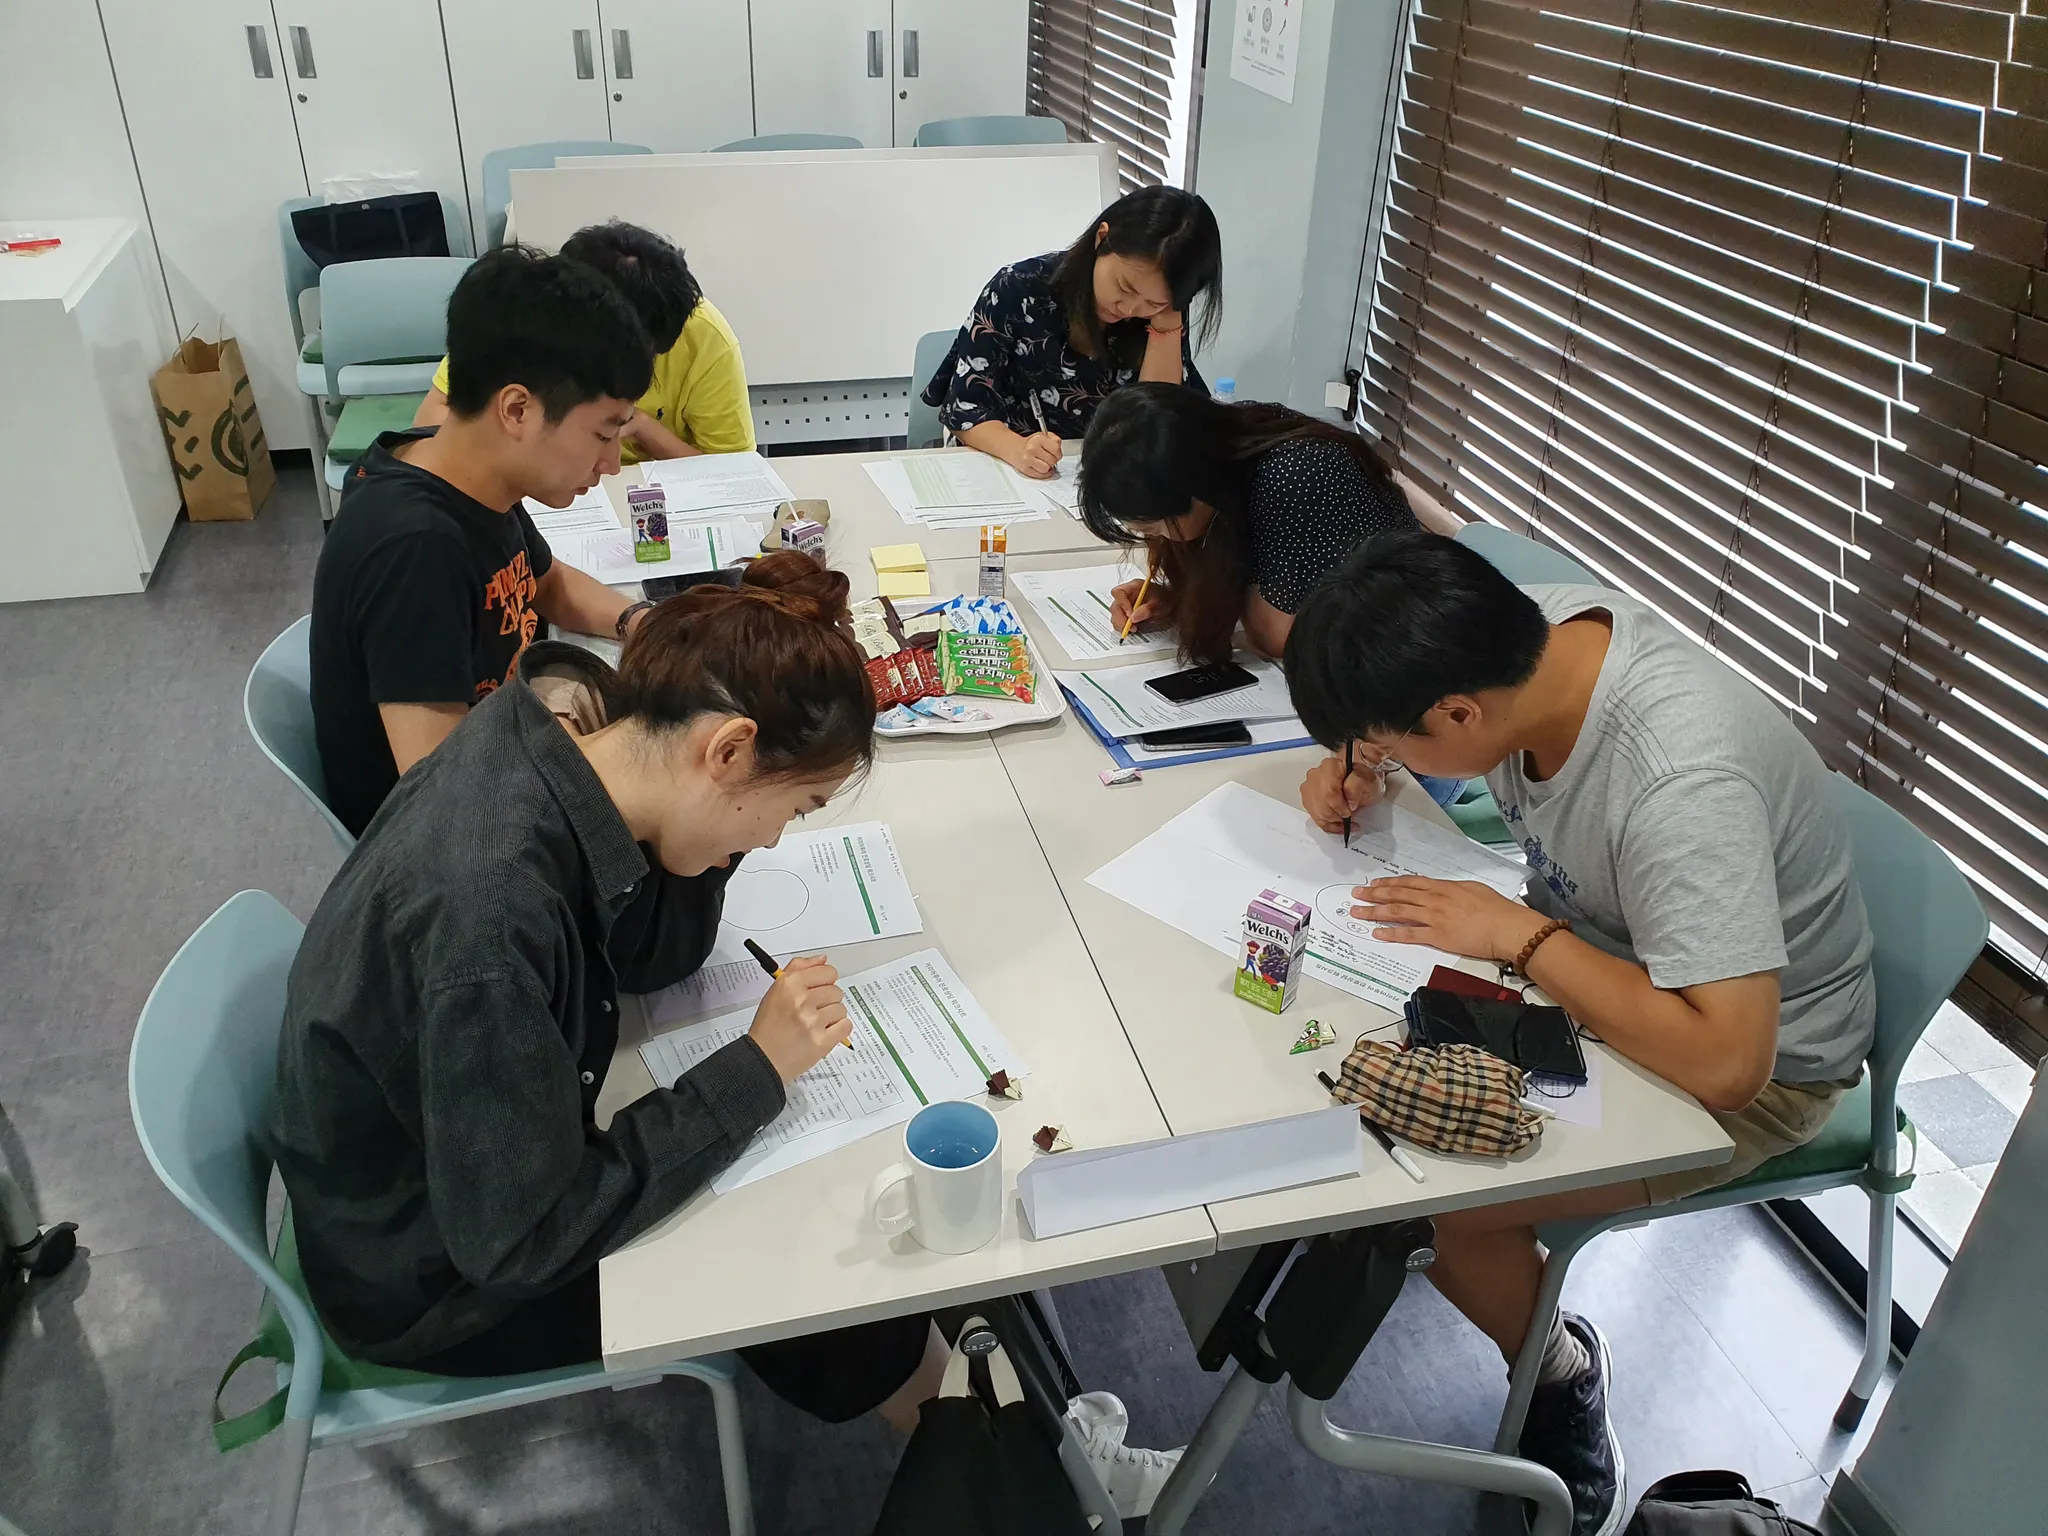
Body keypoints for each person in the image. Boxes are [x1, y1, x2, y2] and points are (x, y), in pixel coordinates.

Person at [272, 555, 1186, 1512]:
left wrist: (709, 845)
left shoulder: (550, 744)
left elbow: (650, 955)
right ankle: (1014, 1475)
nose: (778, 838)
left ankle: (994, 1408)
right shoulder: (493, 921)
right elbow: (521, 1240)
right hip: (429, 1271)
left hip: (444, 1166)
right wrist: (755, 1070)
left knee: (829, 1202)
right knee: (820, 1263)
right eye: (794, 807)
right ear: (728, 750)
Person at [1283, 531, 1876, 1536]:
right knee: (1359, 1068)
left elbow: (1731, 1065)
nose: (1387, 757)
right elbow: (1419, 733)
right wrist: (1358, 768)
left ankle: (1559, 1375)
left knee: (1440, 1202)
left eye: (1394, 741)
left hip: (1756, 1062)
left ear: (1459, 713)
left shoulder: (1678, 781)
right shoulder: (1532, 634)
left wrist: (1519, 937)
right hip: (1601, 968)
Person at [311, 244, 657, 841]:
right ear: (517, 410)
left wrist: (642, 623)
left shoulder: (465, 468)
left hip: (506, 740)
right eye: (603, 435)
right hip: (447, 840)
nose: (611, 464)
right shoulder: (413, 550)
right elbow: (447, 800)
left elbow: (546, 582)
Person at [1079, 382, 1419, 663]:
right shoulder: (1219, 439)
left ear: (1196, 489)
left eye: (1152, 529)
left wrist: (1195, 599)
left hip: (1393, 647)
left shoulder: (1296, 477)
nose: (1158, 540)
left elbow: (1273, 637)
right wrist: (1177, 600)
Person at [921, 186, 1221, 479]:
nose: (1129, 308)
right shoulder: (1019, 289)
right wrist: (1019, 450)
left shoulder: (1162, 315)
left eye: (1153, 302)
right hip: (1008, 467)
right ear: (1102, 238)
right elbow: (965, 408)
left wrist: (1165, 323)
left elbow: (1157, 419)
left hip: (1105, 477)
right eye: (1124, 287)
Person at [414, 221, 755, 460]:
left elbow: (736, 470)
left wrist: (642, 427)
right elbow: (433, 423)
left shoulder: (702, 334)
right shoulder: (520, 313)